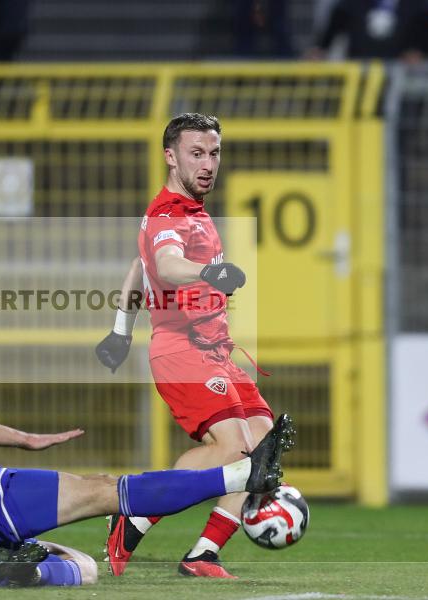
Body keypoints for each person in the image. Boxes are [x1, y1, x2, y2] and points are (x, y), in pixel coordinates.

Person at [0, 176, 295, 587]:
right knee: (105, 490)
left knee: (82, 570)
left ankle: (11, 566)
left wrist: (24, 439)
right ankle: (241, 473)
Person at [96, 113, 279, 579]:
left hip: (214, 349)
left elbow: (140, 269)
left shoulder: (189, 211)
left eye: (214, 153)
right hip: (182, 350)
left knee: (262, 444)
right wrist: (208, 273)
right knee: (234, 448)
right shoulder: (169, 215)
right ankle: (133, 511)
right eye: (196, 153)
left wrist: (120, 330)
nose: (208, 163)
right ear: (169, 156)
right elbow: (167, 263)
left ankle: (203, 555)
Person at [305, 0, 428, 61]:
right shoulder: (352, 3)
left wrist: (418, 50)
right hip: (359, 67)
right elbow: (336, 22)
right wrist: (321, 47)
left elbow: (426, 28)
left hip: (399, 70)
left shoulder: (417, 5)